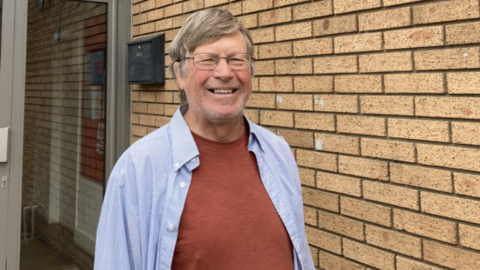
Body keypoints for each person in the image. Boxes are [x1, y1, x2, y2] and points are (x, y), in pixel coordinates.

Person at [94, 8, 315, 270]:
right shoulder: (137, 169)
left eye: (236, 59)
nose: (224, 72)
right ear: (180, 74)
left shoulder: (278, 152)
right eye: (208, 60)